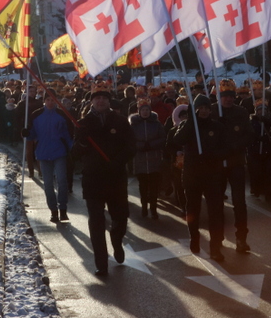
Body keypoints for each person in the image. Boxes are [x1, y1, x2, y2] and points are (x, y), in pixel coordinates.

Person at [73, 83, 136, 276]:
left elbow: (131, 146)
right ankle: (101, 262)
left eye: (104, 98)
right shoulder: (83, 123)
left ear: (109, 101)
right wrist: (82, 140)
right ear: (92, 101)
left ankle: (117, 241)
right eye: (97, 98)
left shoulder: (120, 121)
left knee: (120, 218)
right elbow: (74, 153)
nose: (100, 101)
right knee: (96, 222)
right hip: (93, 179)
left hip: (115, 177)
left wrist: (119, 161)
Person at [173, 95, 227, 260]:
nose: (203, 111)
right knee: (193, 209)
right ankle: (194, 237)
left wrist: (213, 155)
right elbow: (177, 140)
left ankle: (215, 246)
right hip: (192, 174)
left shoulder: (217, 126)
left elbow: (226, 148)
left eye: (206, 108)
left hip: (212, 174)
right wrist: (190, 122)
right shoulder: (188, 126)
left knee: (216, 211)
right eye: (200, 108)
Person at [213, 79, 253, 254]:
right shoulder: (212, 111)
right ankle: (218, 237)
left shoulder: (241, 112)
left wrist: (236, 145)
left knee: (239, 201)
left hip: (236, 161)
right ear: (219, 97)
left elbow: (249, 135)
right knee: (216, 203)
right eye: (225, 96)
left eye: (231, 96)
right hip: (216, 164)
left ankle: (241, 237)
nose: (228, 99)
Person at [24, 89, 74, 223]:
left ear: (56, 100)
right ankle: (53, 211)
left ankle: (63, 209)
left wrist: (73, 149)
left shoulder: (62, 115)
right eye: (48, 100)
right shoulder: (36, 115)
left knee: (62, 181)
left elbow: (68, 135)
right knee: (48, 184)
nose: (50, 102)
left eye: (53, 100)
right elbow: (33, 134)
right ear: (44, 100)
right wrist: (27, 133)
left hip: (59, 152)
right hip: (43, 153)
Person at [129, 97, 166, 219]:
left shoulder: (156, 124)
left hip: (154, 157)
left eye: (147, 109)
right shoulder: (134, 125)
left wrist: (151, 145)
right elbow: (130, 140)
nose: (145, 112)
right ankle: (144, 205)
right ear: (139, 111)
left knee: (154, 185)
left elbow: (162, 138)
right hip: (140, 159)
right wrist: (139, 145)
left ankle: (154, 207)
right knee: (143, 185)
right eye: (143, 110)